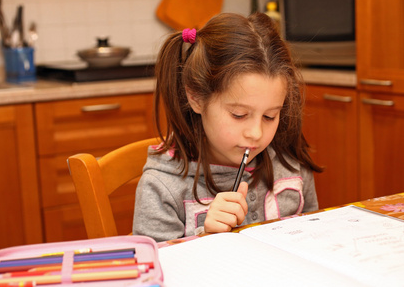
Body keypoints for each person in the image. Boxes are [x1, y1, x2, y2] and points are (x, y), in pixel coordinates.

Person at [133, 12, 323, 242]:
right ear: (196, 98)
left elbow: (314, 239)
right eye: (239, 114)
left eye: (270, 116)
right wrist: (208, 238)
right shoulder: (162, 187)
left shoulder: (291, 164)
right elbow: (158, 271)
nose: (256, 134)